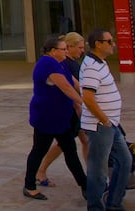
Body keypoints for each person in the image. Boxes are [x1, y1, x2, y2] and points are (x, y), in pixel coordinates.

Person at [23, 36, 86, 200]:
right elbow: (65, 87)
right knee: (39, 150)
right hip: (46, 117)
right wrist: (85, 104)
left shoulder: (61, 62)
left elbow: (73, 82)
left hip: (60, 117)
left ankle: (85, 185)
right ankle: (29, 186)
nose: (66, 52)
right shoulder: (47, 63)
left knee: (70, 150)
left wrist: (89, 95)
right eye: (63, 49)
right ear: (53, 51)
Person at [80, 28, 131, 211]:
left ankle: (114, 204)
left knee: (125, 161)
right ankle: (95, 207)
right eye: (109, 41)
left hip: (111, 124)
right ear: (98, 44)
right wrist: (105, 120)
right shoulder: (92, 67)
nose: (113, 44)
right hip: (101, 125)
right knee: (98, 171)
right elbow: (88, 98)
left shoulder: (100, 62)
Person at [36, 31, 89, 186]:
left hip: (72, 109)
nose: (82, 50)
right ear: (69, 46)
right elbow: (67, 88)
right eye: (78, 47)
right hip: (66, 111)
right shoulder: (63, 64)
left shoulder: (69, 63)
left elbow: (77, 86)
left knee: (81, 142)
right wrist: (80, 104)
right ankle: (40, 171)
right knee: (64, 144)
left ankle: (89, 175)